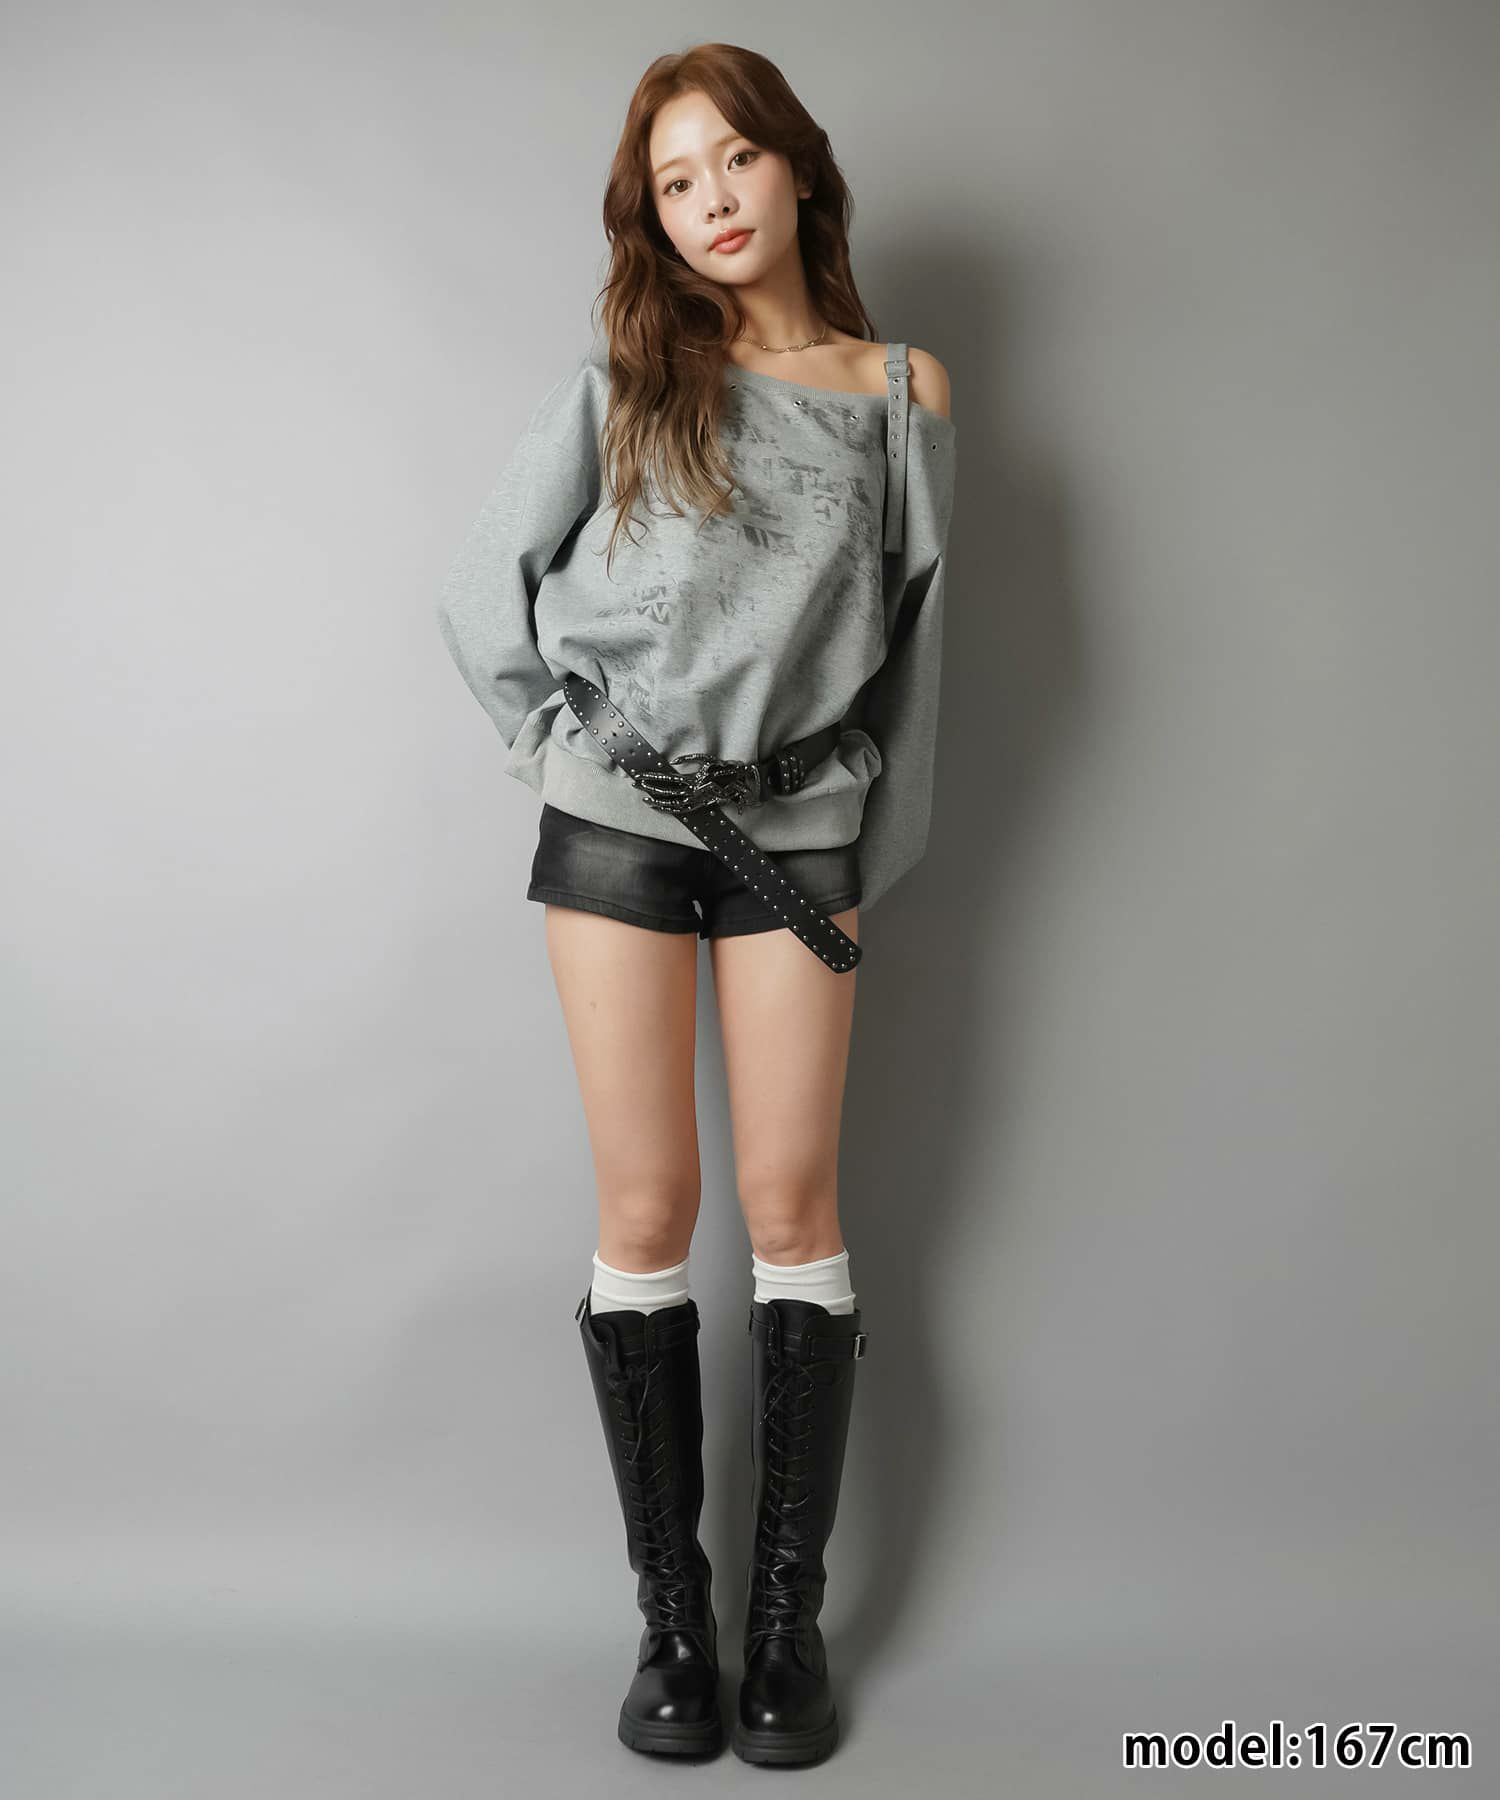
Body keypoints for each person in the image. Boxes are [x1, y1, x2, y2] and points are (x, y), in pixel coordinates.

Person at [435, 41, 957, 1769]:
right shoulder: (627, 374)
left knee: (793, 1198)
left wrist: (868, 853)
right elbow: (483, 587)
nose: (712, 200)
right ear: (651, 217)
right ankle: (672, 1622)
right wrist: (558, 748)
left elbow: (921, 656)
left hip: (799, 833)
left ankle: (783, 1628)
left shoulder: (901, 392)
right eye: (675, 181)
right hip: (620, 823)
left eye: (734, 159)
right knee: (650, 1201)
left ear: (797, 166)